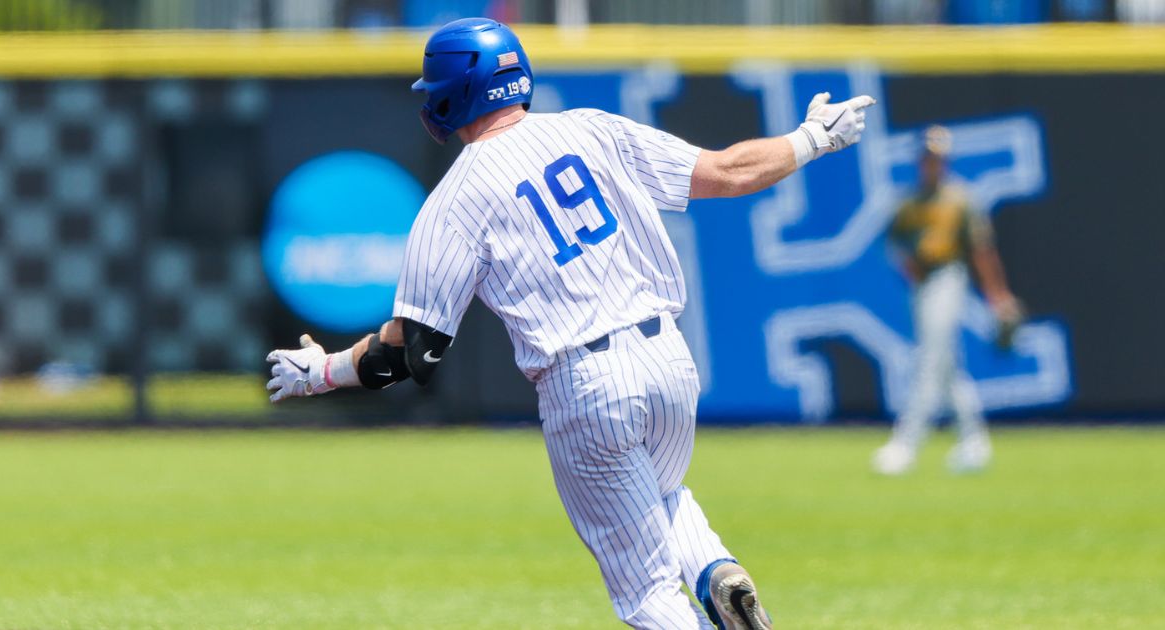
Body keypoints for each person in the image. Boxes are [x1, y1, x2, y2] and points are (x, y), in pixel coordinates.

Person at [267, 18, 874, 629]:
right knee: (660, 499)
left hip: (585, 385)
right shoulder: (591, 127)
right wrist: (810, 139)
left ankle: (703, 588)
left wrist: (323, 371)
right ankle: (714, 570)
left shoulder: (455, 199)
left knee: (645, 593)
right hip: (667, 360)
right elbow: (728, 172)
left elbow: (409, 353)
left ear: (454, 93)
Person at [873, 125, 1023, 476]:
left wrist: (997, 296)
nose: (932, 164)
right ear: (920, 160)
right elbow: (893, 243)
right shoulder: (909, 202)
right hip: (923, 283)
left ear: (946, 161)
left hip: (949, 277)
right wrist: (907, 267)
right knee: (946, 364)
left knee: (930, 358)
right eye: (928, 158)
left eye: (938, 158)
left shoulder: (960, 198)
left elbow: (982, 252)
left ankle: (906, 444)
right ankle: (974, 440)